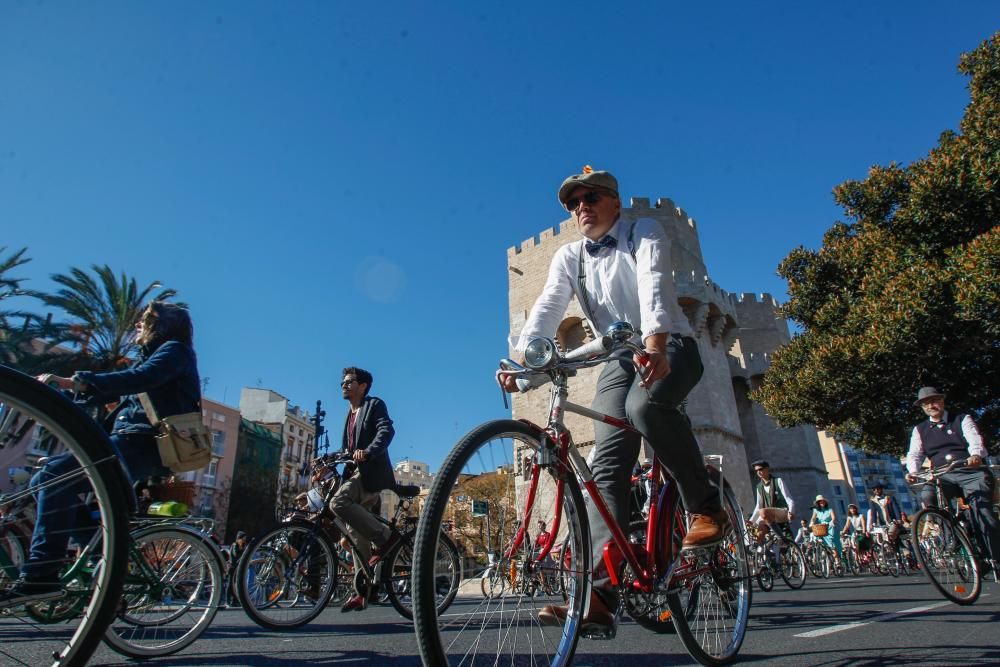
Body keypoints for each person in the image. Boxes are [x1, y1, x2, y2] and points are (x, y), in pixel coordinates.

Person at [501, 167, 724, 634]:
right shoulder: (568, 257)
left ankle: (705, 507)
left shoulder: (644, 230)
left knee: (645, 409)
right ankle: (600, 598)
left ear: (615, 203)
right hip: (617, 358)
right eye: (574, 202)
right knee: (606, 467)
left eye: (592, 196)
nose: (582, 205)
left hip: (672, 344)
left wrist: (658, 343)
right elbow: (547, 306)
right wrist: (525, 359)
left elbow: (654, 284)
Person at [0, 301, 200, 607]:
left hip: (145, 444)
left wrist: (75, 381)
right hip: (129, 442)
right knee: (42, 479)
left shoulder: (175, 351)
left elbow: (141, 378)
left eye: (143, 321)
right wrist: (66, 391)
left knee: (55, 476)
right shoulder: (156, 355)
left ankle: (42, 574)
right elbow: (122, 386)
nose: (137, 327)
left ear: (159, 325)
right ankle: (103, 560)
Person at [904, 386, 999, 569]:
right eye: (926, 404)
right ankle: (952, 536)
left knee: (982, 513)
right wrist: (913, 471)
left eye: (934, 401)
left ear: (942, 401)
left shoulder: (962, 419)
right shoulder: (920, 429)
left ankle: (995, 558)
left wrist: (976, 455)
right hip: (943, 475)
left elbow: (974, 439)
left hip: (971, 471)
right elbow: (914, 453)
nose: (931, 405)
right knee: (928, 496)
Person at [335, 367, 400, 612]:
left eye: (349, 381)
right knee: (355, 536)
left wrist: (369, 451)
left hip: (371, 473)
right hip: (354, 474)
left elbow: (386, 430)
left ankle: (386, 537)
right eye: (342, 381)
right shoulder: (349, 415)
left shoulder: (374, 405)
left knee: (338, 503)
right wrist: (326, 461)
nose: (343, 384)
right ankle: (364, 591)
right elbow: (346, 451)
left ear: (363, 386)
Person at [747, 460, 796, 541]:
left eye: (761, 469)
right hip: (768, 517)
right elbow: (758, 506)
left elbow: (789, 499)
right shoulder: (759, 487)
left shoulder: (778, 481)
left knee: (763, 512)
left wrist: (791, 512)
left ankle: (781, 538)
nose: (758, 472)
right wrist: (751, 521)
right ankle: (764, 552)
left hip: (782, 512)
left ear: (767, 469)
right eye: (756, 471)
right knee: (757, 532)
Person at [866, 483, 903, 548]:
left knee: (891, 535)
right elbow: (873, 513)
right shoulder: (873, 501)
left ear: (882, 489)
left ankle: (901, 549)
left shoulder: (889, 498)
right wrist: (873, 523)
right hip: (883, 523)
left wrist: (899, 519)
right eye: (874, 489)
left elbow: (896, 508)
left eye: (878, 488)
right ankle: (890, 551)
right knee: (881, 539)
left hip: (893, 521)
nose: (876, 490)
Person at [809, 495, 842, 564]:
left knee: (831, 542)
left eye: (822, 501)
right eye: (820, 501)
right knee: (817, 539)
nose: (821, 502)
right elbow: (813, 518)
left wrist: (832, 521)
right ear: (817, 503)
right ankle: (821, 556)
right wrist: (811, 522)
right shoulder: (816, 510)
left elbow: (833, 517)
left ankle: (837, 561)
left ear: (825, 502)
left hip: (829, 526)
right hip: (821, 527)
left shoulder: (830, 509)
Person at [227, 531, 249, 606]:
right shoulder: (235, 545)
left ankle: (235, 600)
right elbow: (235, 555)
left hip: (238, 567)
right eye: (243, 538)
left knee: (236, 584)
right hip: (233, 566)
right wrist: (242, 550)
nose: (244, 539)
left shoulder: (243, 545)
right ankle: (227, 601)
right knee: (230, 584)